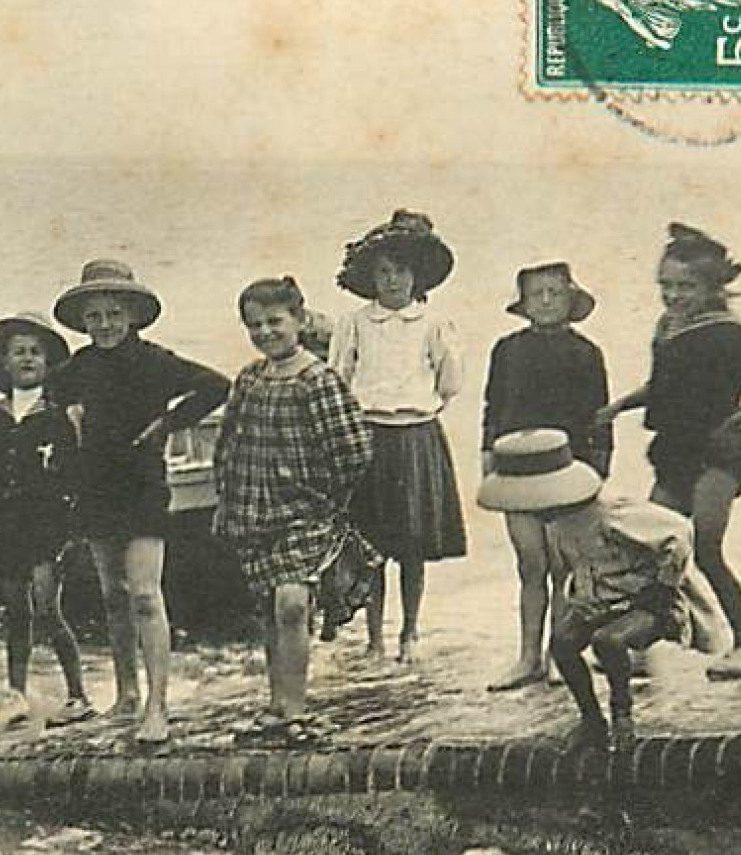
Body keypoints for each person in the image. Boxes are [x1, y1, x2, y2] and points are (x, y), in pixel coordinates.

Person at [597, 223, 741, 681]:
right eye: (665, 285)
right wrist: (620, 406)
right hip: (673, 452)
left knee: (705, 549)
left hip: (718, 456)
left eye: (686, 286)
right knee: (653, 550)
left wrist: (733, 422)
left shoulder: (728, 332)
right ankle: (640, 642)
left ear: (713, 286)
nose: (673, 295)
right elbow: (663, 388)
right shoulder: (666, 328)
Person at [47, 259, 230, 745]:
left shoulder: (155, 361)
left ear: (132, 314)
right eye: (95, 316)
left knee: (146, 594)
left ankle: (157, 705)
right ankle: (126, 695)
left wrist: (167, 425)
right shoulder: (76, 369)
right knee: (112, 595)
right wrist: (70, 420)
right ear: (83, 321)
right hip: (95, 486)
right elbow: (54, 400)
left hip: (143, 485)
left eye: (113, 314)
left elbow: (215, 385)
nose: (105, 325)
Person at [212, 278, 381, 743]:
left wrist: (321, 496)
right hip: (253, 512)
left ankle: (296, 708)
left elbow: (353, 450)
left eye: (274, 322)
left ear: (300, 321)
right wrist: (227, 499)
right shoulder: (249, 379)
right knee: (269, 607)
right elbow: (228, 443)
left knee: (292, 603)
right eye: (254, 325)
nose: (265, 332)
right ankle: (275, 704)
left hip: (306, 513)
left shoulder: (319, 380)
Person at [479, 429, 694, 752]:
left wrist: (662, 586)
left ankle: (622, 714)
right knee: (562, 645)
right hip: (599, 604)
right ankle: (592, 720)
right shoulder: (557, 522)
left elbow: (678, 531)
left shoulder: (608, 513)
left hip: (644, 603)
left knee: (608, 641)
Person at [330, 209, 467, 664]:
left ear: (416, 276)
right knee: (370, 544)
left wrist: (418, 408)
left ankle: (410, 632)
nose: (392, 282)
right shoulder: (354, 323)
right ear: (371, 278)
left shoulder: (433, 324)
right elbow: (338, 378)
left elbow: (450, 382)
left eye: (400, 272)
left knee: (412, 544)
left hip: (415, 437)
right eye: (383, 272)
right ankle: (374, 636)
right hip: (368, 437)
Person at [482, 262, 613, 692]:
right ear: (523, 303)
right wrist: (487, 454)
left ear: (570, 299)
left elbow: (599, 417)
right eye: (536, 293)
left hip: (566, 470)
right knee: (530, 563)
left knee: (563, 566)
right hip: (516, 468)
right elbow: (493, 406)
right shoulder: (506, 349)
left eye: (554, 292)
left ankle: (562, 654)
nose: (545, 300)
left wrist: (598, 468)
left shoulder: (587, 352)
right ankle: (527, 657)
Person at [0, 312, 93, 727]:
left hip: (46, 526)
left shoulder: (60, 415)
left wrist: (73, 531)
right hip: (4, 527)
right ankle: (17, 694)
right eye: (18, 353)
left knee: (47, 607)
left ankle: (78, 693)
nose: (26, 359)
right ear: (4, 364)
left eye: (35, 353)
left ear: (47, 363)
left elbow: (75, 475)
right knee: (15, 612)